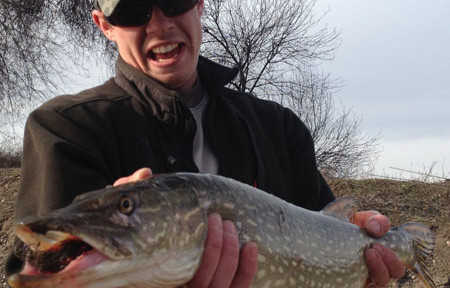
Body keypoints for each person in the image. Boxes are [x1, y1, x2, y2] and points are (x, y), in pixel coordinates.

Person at [6, 0, 405, 286]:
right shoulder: (64, 129)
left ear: (200, 5)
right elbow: (39, 273)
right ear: (103, 24)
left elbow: (326, 234)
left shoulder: (279, 127)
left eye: (175, 0)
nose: (160, 24)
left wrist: (361, 262)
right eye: (130, 8)